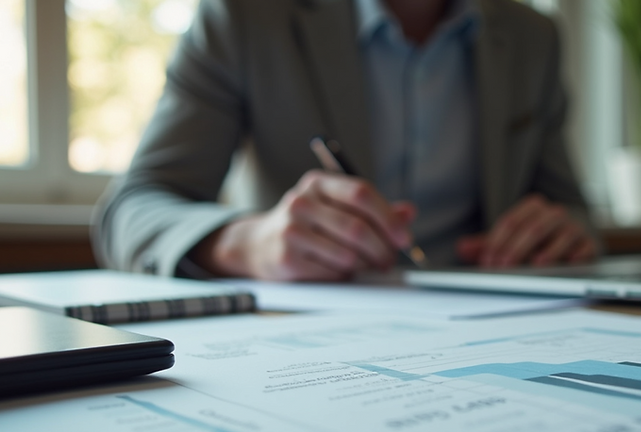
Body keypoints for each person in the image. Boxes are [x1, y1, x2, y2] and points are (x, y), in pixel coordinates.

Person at [93, 0, 601, 282]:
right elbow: (130, 210)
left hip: (500, 329)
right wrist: (249, 243)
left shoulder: (535, 36)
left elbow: (572, 210)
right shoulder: (244, 17)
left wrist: (562, 232)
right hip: (310, 340)